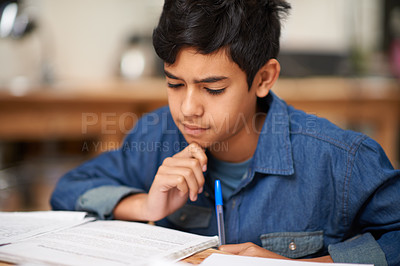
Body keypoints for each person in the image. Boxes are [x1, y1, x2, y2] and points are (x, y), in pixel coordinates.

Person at [50, 0, 400, 265]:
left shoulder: (339, 159)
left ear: (263, 79)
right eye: (174, 84)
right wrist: (145, 205)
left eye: (212, 89)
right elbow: (67, 191)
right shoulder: (155, 138)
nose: (188, 109)